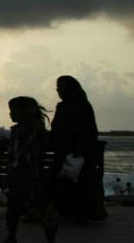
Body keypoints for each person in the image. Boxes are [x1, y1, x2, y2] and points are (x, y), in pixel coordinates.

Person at [51, 75, 106, 221]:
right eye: (57, 87)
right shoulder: (71, 106)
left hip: (75, 153)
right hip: (69, 151)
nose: (58, 90)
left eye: (61, 87)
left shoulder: (78, 106)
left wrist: (77, 148)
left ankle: (77, 211)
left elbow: (86, 131)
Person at [3, 97, 58, 243]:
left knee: (15, 206)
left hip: (22, 174)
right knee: (19, 206)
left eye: (13, 111)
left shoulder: (22, 132)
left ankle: (13, 235)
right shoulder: (37, 131)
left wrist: (11, 174)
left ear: (24, 112)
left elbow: (21, 156)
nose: (10, 114)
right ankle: (13, 235)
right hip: (31, 174)